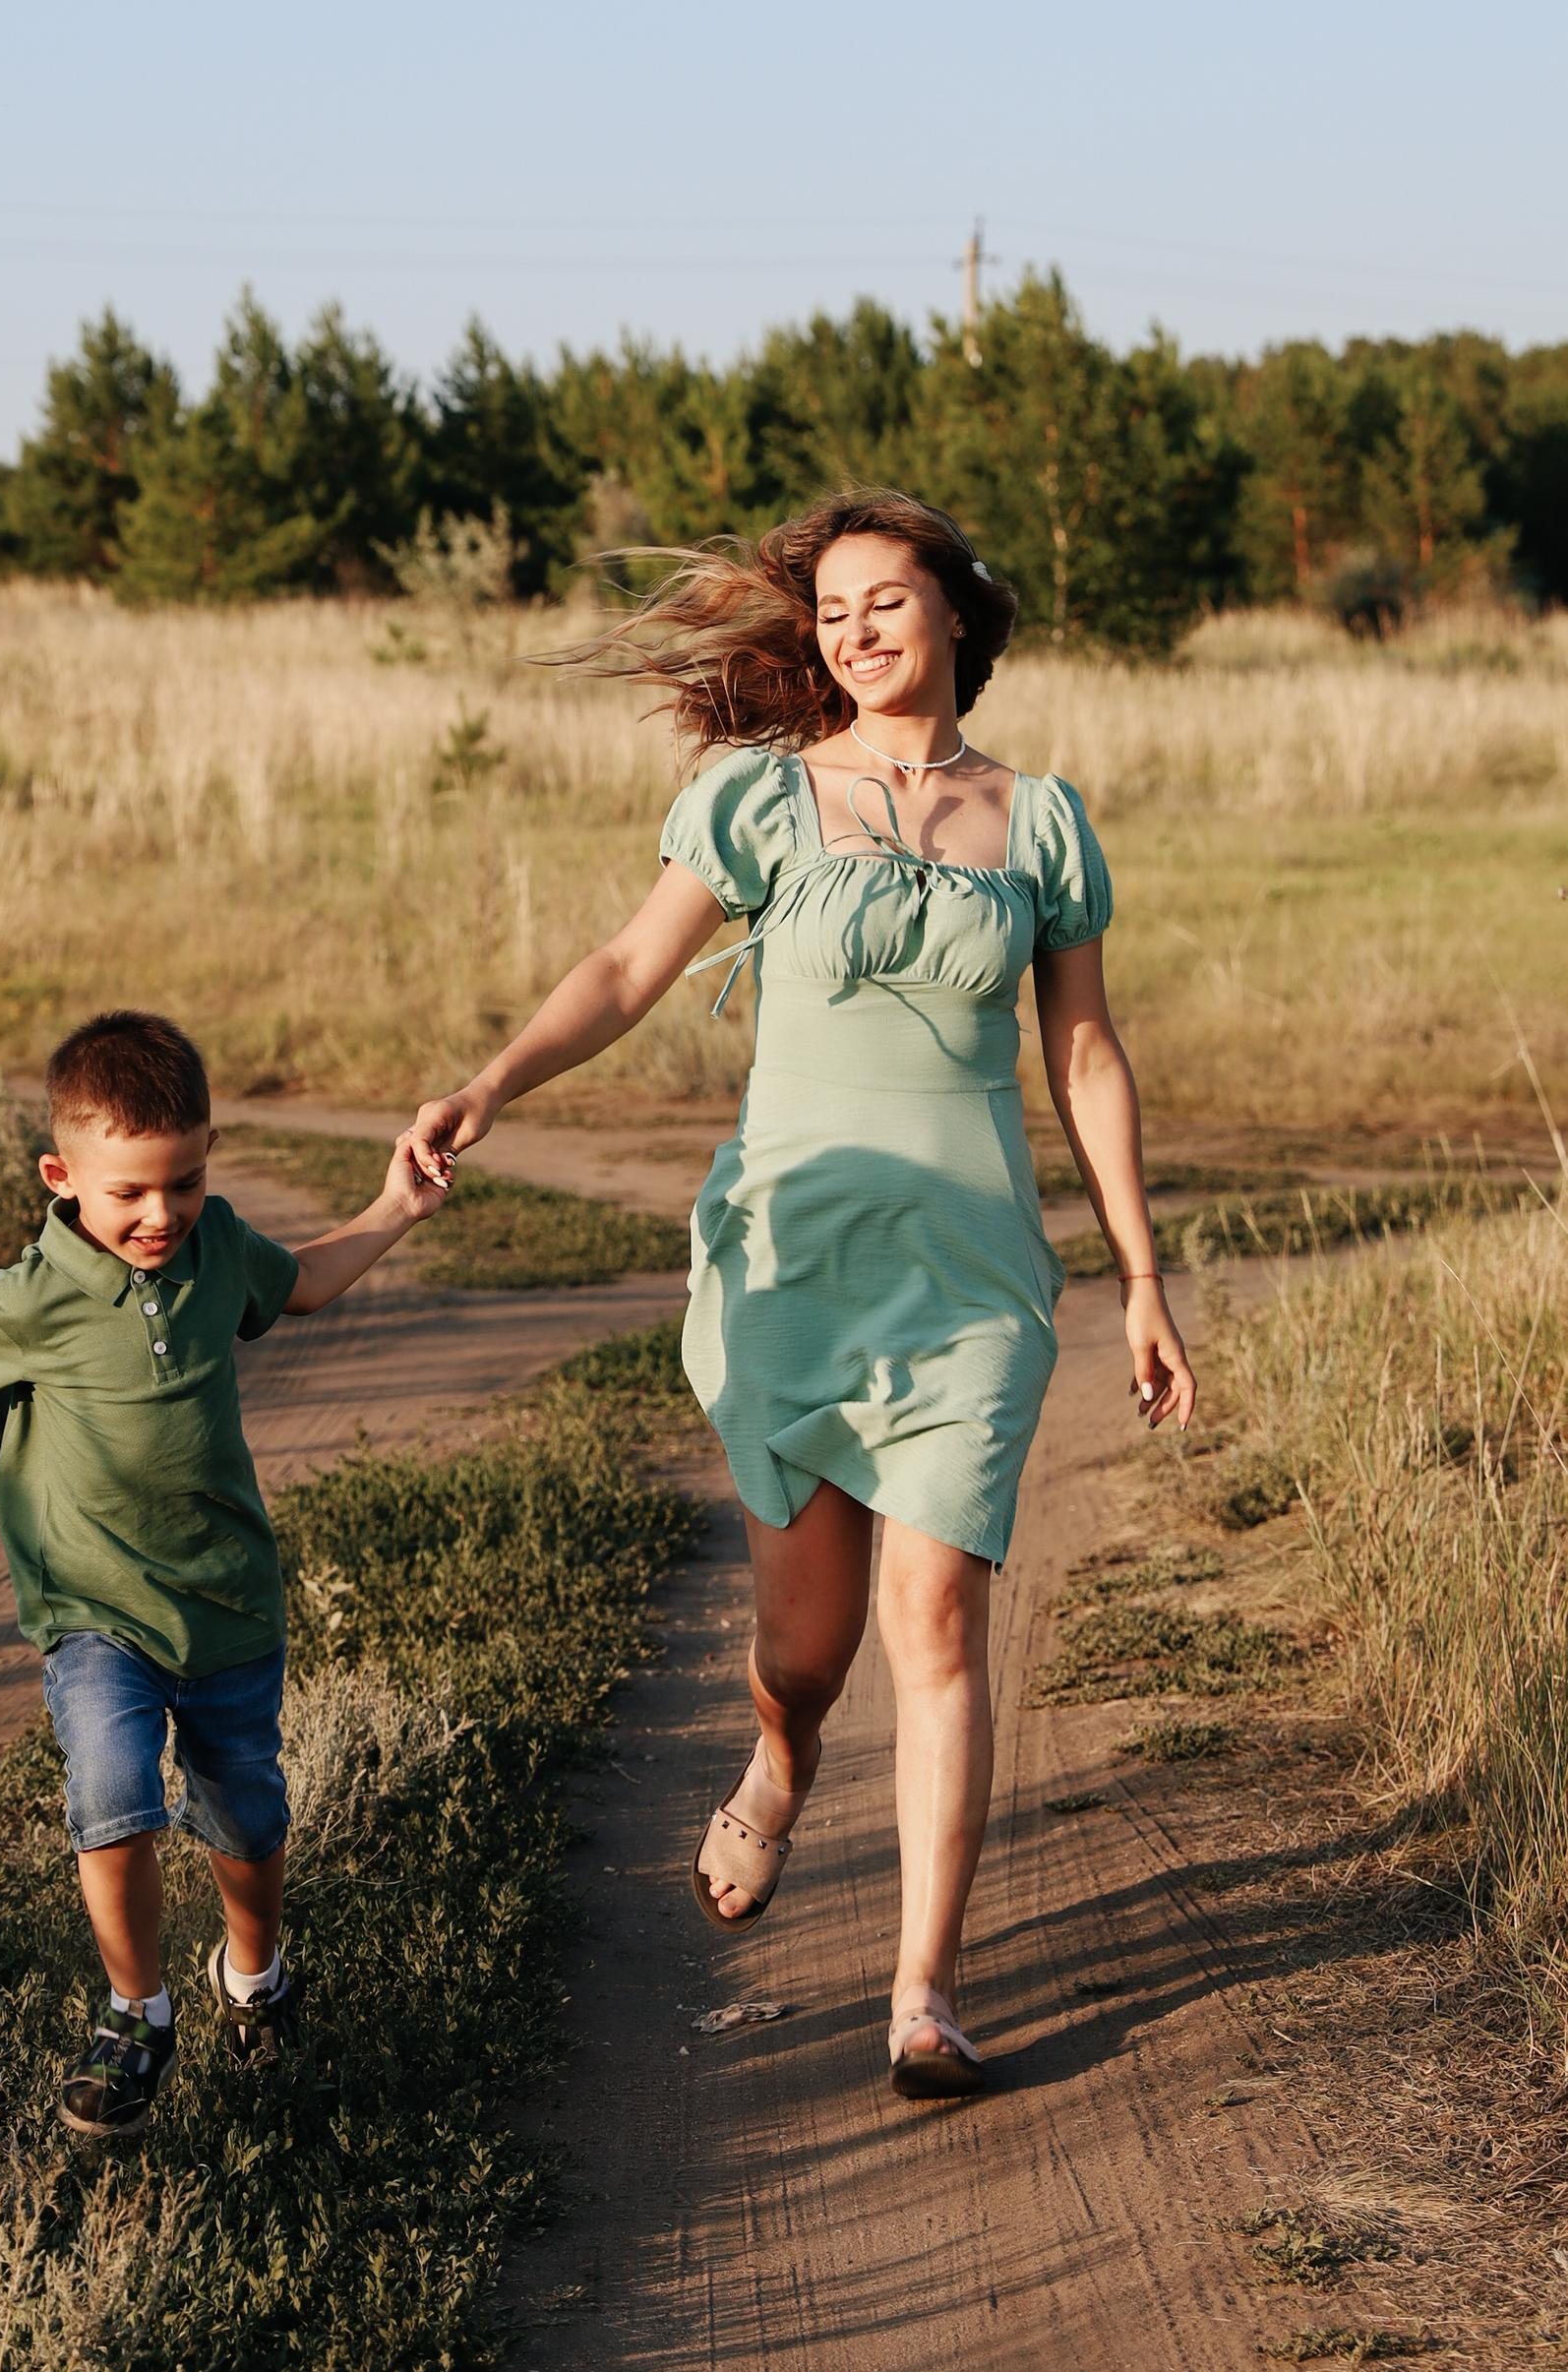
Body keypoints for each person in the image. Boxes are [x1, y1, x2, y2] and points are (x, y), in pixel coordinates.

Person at [405, 490, 1195, 2101]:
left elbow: (1086, 1050)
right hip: (792, 1262)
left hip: (970, 1280)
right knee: (809, 1642)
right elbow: (628, 968)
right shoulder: (759, 799)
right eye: (831, 611)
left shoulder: (1040, 822)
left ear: (957, 613)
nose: (855, 633)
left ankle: (923, 1995)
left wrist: (1142, 1272)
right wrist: (494, 1083)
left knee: (938, 1620)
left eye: (885, 602)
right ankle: (781, 1753)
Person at [0, 1006, 445, 2141]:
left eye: (180, 1181)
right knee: (112, 1793)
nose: (159, 1213)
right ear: (62, 1176)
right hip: (95, 1613)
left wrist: (393, 1209)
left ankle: (255, 1979)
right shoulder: (38, 1290)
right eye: (127, 1191)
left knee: (246, 1816)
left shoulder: (219, 1246)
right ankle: (136, 2011)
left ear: (207, 1156)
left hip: (226, 1602)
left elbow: (305, 1281)